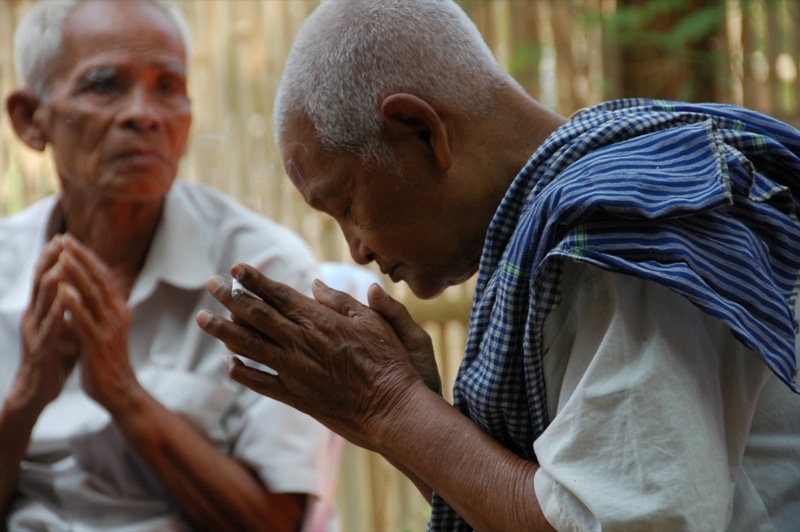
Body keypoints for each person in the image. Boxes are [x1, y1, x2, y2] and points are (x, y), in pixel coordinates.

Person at [196, 0, 800, 530]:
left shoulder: (625, 230)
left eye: (347, 203)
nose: (356, 248)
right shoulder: (572, 228)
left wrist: (390, 407)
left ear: (421, 129)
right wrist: (412, 427)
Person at [0, 1, 338, 530]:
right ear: (30, 119)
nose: (145, 114)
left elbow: (276, 522)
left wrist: (122, 393)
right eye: (105, 85)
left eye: (167, 87)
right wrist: (24, 399)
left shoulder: (258, 270)